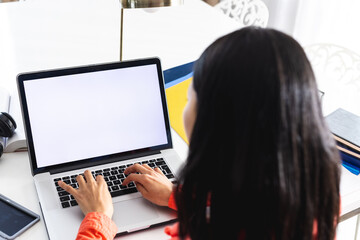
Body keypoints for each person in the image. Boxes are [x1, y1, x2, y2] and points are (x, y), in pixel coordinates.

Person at [58, 27, 341, 240]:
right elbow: (243, 202)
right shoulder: (314, 198)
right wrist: (179, 197)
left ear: (218, 124)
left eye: (191, 97)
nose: (185, 107)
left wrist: (98, 218)